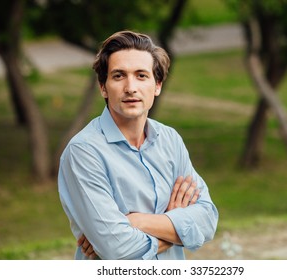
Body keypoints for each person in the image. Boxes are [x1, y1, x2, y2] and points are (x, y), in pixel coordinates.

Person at [58, 30, 218, 260]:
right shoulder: (83, 152)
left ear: (158, 85)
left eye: (141, 75)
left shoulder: (170, 140)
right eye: (119, 76)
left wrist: (137, 221)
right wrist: (176, 225)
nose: (130, 87)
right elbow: (118, 249)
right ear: (103, 87)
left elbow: (207, 221)